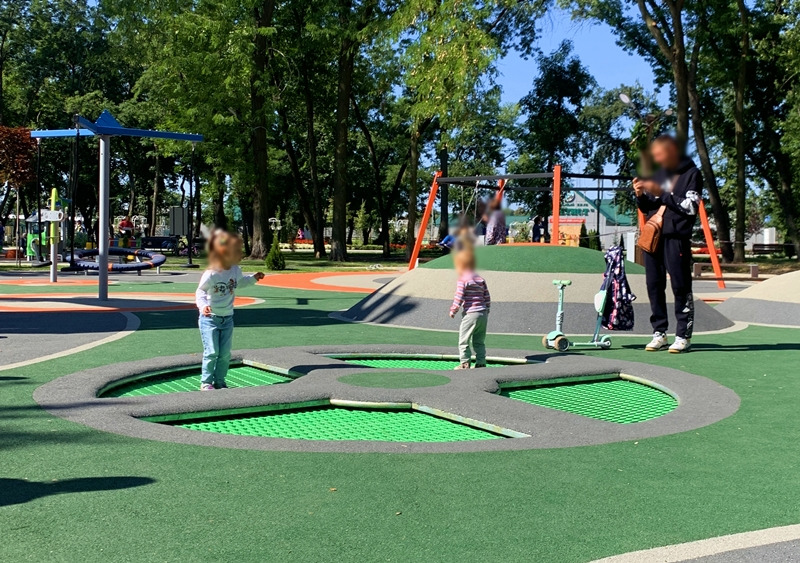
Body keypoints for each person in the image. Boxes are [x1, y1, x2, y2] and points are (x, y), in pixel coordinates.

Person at [634, 134, 701, 353]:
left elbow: (691, 207)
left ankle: (683, 335)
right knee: (654, 285)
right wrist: (641, 195)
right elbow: (649, 207)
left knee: (680, 286)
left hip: (676, 238)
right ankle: (659, 332)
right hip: (654, 237)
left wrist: (661, 193)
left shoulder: (692, 173)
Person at [195, 230, 265, 390]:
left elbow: (240, 282)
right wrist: (203, 306)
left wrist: (253, 278)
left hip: (227, 318)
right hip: (210, 319)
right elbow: (200, 291)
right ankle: (206, 382)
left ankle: (220, 381)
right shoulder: (212, 273)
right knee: (212, 351)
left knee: (225, 353)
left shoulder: (235, 270)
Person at [448, 245, 491, 369]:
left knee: (464, 340)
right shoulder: (480, 279)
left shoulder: (463, 279)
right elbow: (487, 296)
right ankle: (481, 362)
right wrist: (487, 309)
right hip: (482, 313)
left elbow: (459, 296)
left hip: (471, 314)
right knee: (479, 340)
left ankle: (465, 363)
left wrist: (453, 310)